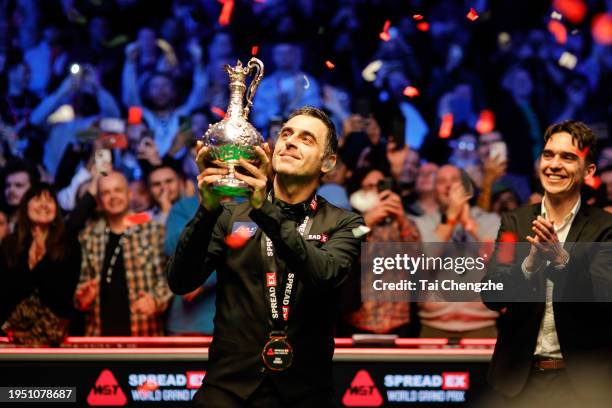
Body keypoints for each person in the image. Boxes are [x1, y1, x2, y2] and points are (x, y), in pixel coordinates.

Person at [167, 106, 364, 406]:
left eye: (307, 138)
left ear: (328, 162)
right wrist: (206, 211)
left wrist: (264, 210)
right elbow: (181, 281)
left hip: (306, 395)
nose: (291, 141)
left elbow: (324, 275)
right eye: (286, 133)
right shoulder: (230, 214)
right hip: (227, 391)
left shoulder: (346, 224)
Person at [484, 120, 612, 407]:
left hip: (583, 383)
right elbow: (492, 295)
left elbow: (603, 297)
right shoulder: (513, 223)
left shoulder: (606, 229)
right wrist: (528, 266)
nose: (554, 164)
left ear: (589, 171)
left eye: (568, 157)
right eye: (548, 154)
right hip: (518, 382)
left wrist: (560, 259)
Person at [74, 171, 172, 336]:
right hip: (100, 340)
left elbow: (171, 278)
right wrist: (82, 300)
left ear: (129, 193)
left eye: (118, 190)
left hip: (144, 335)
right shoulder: (88, 237)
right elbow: (81, 287)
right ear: (98, 201)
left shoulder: (154, 231)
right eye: (106, 192)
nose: (113, 196)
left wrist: (156, 300)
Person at [0, 184, 81, 343]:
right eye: (37, 199)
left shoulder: (69, 245)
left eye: (50, 200)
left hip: (54, 337)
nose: (44, 204)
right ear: (25, 206)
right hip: (12, 336)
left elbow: (67, 293)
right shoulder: (10, 244)